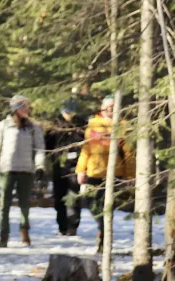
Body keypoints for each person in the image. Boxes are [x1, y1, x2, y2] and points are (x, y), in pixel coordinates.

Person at [76, 96, 135, 250]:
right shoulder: (93, 124)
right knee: (91, 202)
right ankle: (102, 227)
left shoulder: (123, 125)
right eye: (107, 106)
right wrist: (80, 170)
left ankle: (104, 236)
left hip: (114, 172)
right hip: (93, 171)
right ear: (101, 107)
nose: (110, 109)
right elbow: (86, 149)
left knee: (106, 206)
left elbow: (129, 153)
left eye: (113, 106)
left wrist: (130, 174)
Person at [0, 95, 45, 247]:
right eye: (24, 106)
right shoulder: (3, 126)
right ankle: (3, 236)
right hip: (7, 170)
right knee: (4, 205)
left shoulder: (34, 127)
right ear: (16, 109)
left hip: (26, 170)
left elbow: (39, 148)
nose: (27, 109)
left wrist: (40, 167)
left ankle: (24, 232)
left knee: (25, 204)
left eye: (28, 106)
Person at [46, 100, 85, 236]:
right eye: (66, 112)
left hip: (76, 165)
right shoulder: (54, 124)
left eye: (71, 112)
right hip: (58, 165)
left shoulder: (81, 123)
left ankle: (73, 225)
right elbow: (47, 145)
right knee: (59, 197)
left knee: (74, 197)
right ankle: (62, 226)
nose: (68, 115)